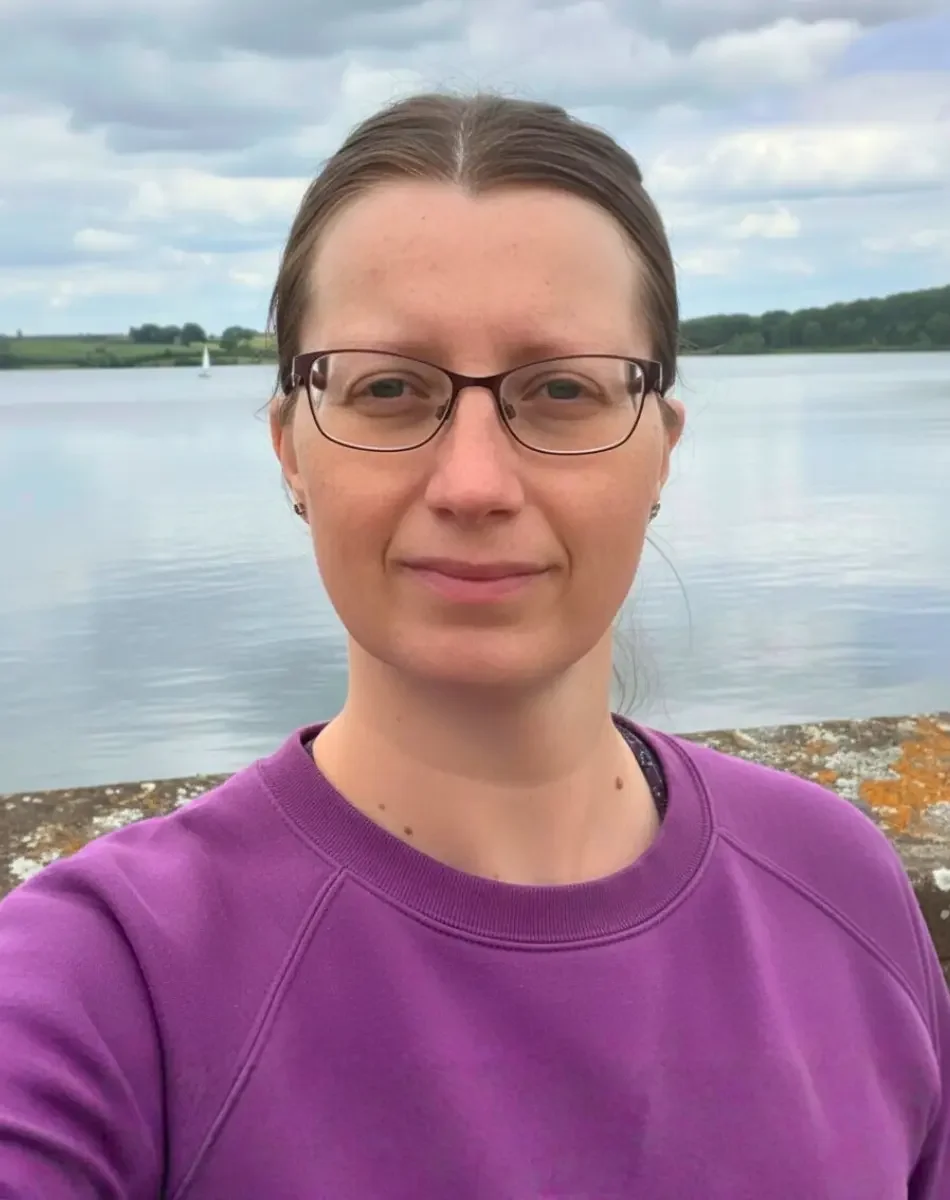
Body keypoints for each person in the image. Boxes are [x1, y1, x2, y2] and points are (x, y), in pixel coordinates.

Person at [0, 92, 946, 1199]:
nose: (474, 484)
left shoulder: (838, 882)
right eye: (390, 389)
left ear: (659, 450)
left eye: (560, 390)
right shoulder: (104, 982)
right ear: (290, 450)